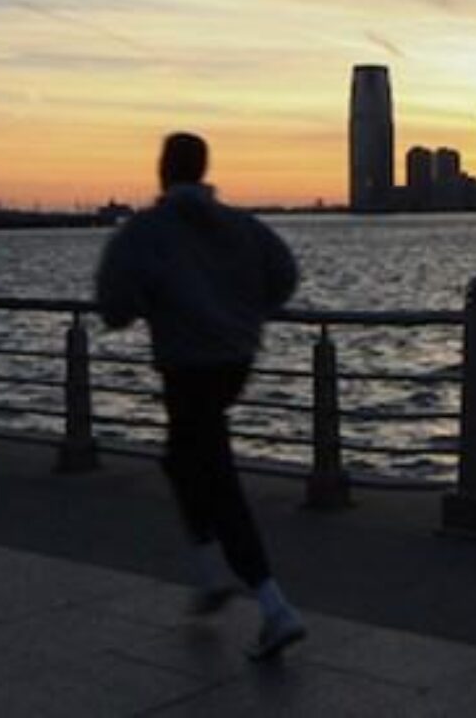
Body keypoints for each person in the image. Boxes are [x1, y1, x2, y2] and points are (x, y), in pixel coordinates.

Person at [94, 131, 307, 661]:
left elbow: (113, 305)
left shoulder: (145, 231)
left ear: (163, 170)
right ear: (204, 168)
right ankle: (209, 571)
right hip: (235, 359)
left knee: (215, 476)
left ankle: (273, 604)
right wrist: (244, 308)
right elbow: (284, 276)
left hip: (186, 363)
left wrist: (152, 301)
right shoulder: (242, 225)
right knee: (180, 459)